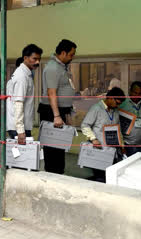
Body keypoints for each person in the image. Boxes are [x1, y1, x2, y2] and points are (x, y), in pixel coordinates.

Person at [38, 39, 77, 175]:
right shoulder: (53, 68)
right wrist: (57, 116)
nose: (72, 57)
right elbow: (51, 92)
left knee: (60, 145)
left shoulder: (62, 67)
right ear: (63, 53)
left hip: (61, 111)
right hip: (52, 112)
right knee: (52, 148)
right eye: (71, 54)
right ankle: (52, 174)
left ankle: (58, 173)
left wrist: (67, 113)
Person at [81, 87, 126, 182]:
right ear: (110, 98)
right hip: (99, 149)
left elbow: (117, 129)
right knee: (101, 178)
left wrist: (121, 145)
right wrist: (93, 139)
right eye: (117, 103)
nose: (118, 106)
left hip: (112, 150)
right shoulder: (96, 108)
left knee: (110, 178)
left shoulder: (115, 111)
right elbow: (85, 125)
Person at [6, 44, 43, 144]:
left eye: (39, 59)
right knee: (22, 158)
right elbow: (18, 103)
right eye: (34, 59)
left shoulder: (26, 74)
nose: (37, 62)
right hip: (19, 128)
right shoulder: (22, 76)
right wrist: (20, 130)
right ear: (25, 58)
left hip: (20, 125)